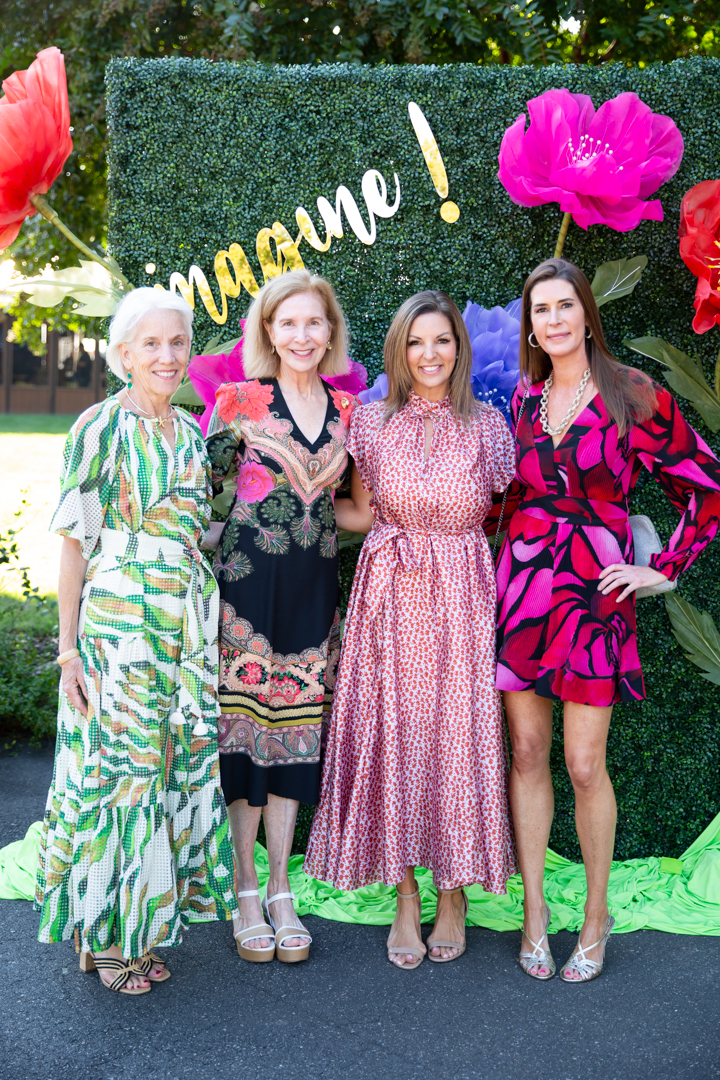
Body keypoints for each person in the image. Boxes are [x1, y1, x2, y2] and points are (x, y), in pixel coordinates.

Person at [495, 258, 720, 983]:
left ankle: (596, 915)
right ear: (530, 324)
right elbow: (502, 500)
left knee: (583, 762)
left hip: (595, 597)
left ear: (587, 314)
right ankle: (534, 912)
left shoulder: (631, 392)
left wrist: (667, 567)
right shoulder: (524, 404)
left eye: (565, 306)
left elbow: (705, 484)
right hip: (524, 591)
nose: (553, 320)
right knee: (526, 753)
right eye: (541, 310)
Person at [304, 290, 518, 969]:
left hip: (460, 592)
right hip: (388, 594)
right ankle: (404, 893)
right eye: (416, 343)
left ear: (459, 349)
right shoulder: (367, 424)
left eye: (443, 341)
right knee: (394, 734)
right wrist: (284, 510)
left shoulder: (490, 426)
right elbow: (362, 514)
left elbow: (512, 512)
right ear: (399, 351)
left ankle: (453, 894)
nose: (430, 354)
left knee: (457, 737)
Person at [35, 288, 238, 995]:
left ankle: (133, 929)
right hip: (118, 629)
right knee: (121, 776)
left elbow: (192, 536)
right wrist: (67, 651)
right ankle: (109, 936)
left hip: (181, 630)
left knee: (165, 770)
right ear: (123, 354)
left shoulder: (189, 434)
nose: (167, 355)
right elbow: (73, 544)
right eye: (150, 344)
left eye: (177, 342)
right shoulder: (97, 428)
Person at [204, 269, 356, 963]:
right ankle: (242, 889)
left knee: (297, 737)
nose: (301, 335)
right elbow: (201, 501)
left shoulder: (353, 413)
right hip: (243, 590)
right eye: (287, 323)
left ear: (330, 332)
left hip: (311, 589)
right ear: (268, 330)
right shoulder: (237, 402)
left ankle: (280, 888)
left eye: (314, 323)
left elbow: (353, 508)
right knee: (243, 738)